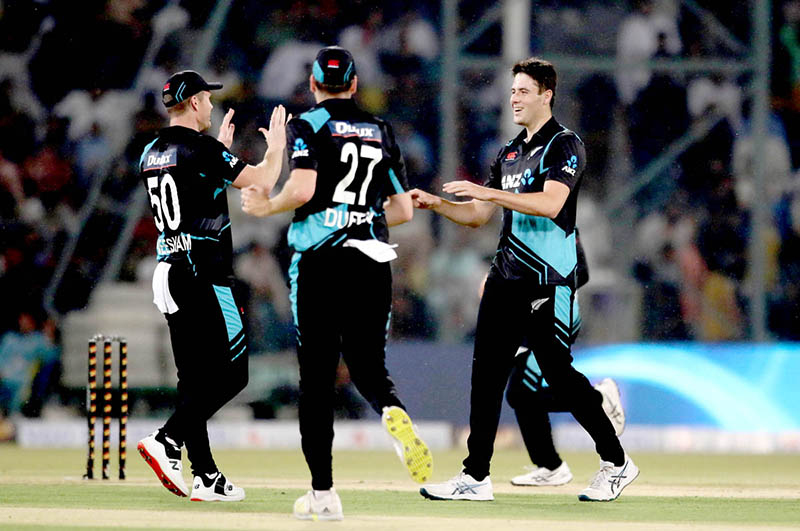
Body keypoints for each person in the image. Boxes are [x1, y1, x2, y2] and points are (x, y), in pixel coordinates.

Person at [411, 57, 639, 502]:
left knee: (558, 374)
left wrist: (490, 192)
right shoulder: (510, 152)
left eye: (523, 91)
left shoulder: (565, 145)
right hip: (506, 276)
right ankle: (474, 477)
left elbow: (552, 204)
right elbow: (478, 216)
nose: (514, 98)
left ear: (546, 94)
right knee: (486, 376)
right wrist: (437, 205)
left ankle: (616, 463)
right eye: (512, 90)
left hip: (549, 280)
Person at [241, 46, 432, 521]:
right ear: (353, 85)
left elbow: (303, 190)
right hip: (371, 259)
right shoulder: (381, 129)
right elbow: (404, 210)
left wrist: (266, 207)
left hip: (320, 263)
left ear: (312, 85)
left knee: (317, 380)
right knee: (368, 367)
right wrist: (360, 217)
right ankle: (391, 409)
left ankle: (323, 494)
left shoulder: (307, 125)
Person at [136, 70, 289, 502]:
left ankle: (204, 475)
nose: (211, 105)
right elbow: (260, 180)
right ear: (196, 102)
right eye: (207, 98)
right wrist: (275, 148)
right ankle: (168, 439)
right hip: (204, 273)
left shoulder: (151, 150)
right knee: (234, 374)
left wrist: (217, 151)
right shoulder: (200, 148)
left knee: (195, 380)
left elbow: (191, 186)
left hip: (167, 269)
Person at [504, 234, 626, 487]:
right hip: (528, 313)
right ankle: (550, 465)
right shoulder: (517, 217)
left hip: (555, 311)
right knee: (521, 394)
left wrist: (537, 289)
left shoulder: (556, 216)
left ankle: (598, 401)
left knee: (523, 392)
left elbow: (581, 272)